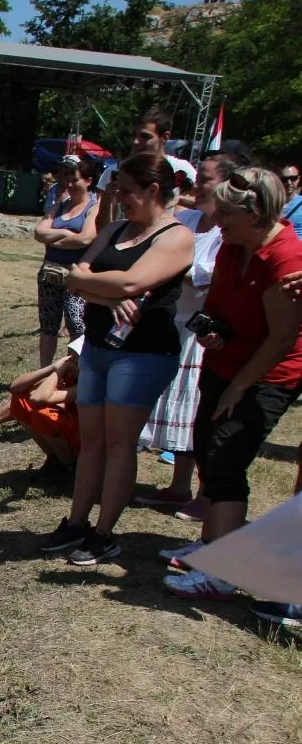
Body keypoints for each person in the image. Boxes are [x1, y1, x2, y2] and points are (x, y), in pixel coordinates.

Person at [40, 154, 193, 565]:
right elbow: (75, 276)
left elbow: (133, 280)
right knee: (91, 442)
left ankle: (104, 532)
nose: (118, 197)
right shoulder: (113, 228)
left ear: (153, 190)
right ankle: (76, 522)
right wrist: (105, 293)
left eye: (125, 191)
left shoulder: (176, 237)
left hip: (142, 353)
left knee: (119, 444)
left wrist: (101, 287)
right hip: (99, 348)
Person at [163, 167, 302, 600]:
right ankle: (209, 547)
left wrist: (241, 386)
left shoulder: (284, 257)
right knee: (206, 446)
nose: (216, 219)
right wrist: (214, 333)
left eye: (225, 212)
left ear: (256, 213)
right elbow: (220, 306)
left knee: (226, 456)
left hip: (267, 374)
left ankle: (222, 573)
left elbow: (281, 339)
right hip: (225, 363)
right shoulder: (230, 245)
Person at [135, 153, 236, 518]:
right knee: (179, 410)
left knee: (197, 413)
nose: (198, 184)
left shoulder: (227, 233)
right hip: (174, 323)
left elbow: (202, 277)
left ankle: (206, 493)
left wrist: (174, 266)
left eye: (206, 178)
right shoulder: (189, 219)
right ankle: (179, 487)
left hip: (200, 330)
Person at [0, 337, 84, 471]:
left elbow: (38, 398)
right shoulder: (70, 375)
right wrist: (52, 368)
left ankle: (68, 465)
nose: (70, 358)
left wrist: (59, 372)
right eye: (70, 354)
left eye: (75, 356)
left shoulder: (87, 383)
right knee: (20, 399)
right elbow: (15, 387)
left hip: (83, 440)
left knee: (43, 412)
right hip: (75, 433)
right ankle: (54, 458)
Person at [32, 156, 102, 366]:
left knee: (76, 324)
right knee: (48, 326)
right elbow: (39, 231)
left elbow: (86, 238)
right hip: (50, 274)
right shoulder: (61, 204)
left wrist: (53, 240)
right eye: (67, 180)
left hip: (76, 277)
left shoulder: (94, 207)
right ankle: (44, 371)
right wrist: (64, 231)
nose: (69, 185)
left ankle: (76, 370)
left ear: (88, 181)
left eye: (75, 180)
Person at [96, 107, 177, 227]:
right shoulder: (115, 171)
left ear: (164, 137)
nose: (136, 142)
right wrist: (107, 199)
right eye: (134, 135)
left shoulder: (181, 170)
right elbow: (102, 229)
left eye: (145, 136)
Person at [281, 164, 302, 237]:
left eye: (293, 178)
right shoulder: (272, 203)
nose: (289, 182)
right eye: (284, 179)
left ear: (298, 179)